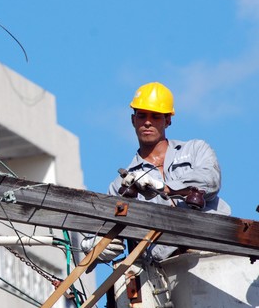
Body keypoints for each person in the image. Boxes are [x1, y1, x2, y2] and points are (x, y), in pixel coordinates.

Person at [81, 81, 230, 263]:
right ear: (133, 120)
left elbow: (211, 181)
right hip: (165, 269)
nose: (148, 122)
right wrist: (94, 245)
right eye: (142, 116)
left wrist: (165, 188)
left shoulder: (195, 150)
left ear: (168, 120)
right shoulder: (123, 184)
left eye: (156, 116)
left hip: (213, 253)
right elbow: (107, 233)